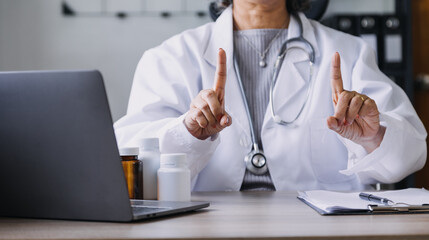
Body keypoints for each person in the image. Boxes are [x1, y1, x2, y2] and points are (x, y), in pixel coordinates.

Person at [114, 0, 427, 191]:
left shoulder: (349, 52)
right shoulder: (171, 57)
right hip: (205, 227)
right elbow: (128, 155)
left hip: (322, 229)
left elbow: (409, 154)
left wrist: (373, 136)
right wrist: (187, 133)